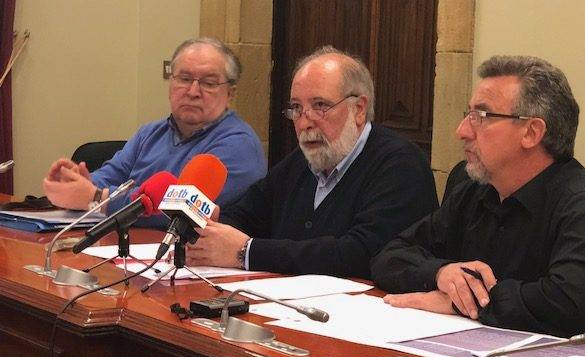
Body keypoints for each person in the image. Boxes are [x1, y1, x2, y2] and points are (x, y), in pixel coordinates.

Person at [371, 55, 585, 338]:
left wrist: (466, 302)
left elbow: (571, 305)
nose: (461, 131)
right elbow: (388, 256)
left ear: (531, 132)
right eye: (467, 115)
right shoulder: (472, 191)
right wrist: (441, 273)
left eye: (480, 117)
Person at [185, 46, 438, 279]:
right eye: (296, 108)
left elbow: (362, 253)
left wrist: (246, 251)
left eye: (320, 106)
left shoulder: (401, 165)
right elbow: (248, 212)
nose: (305, 122)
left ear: (359, 109)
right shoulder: (303, 160)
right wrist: (214, 232)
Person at [43, 37, 266, 227]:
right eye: (184, 79)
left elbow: (177, 210)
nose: (193, 91)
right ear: (171, 83)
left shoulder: (240, 145)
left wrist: (96, 198)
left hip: (188, 258)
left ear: (229, 94)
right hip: (122, 248)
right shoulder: (150, 133)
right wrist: (76, 184)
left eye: (208, 83)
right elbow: (112, 174)